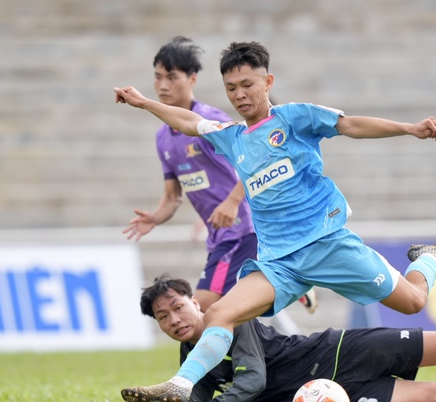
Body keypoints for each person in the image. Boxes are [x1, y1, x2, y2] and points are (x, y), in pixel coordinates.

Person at [114, 40, 436, 402]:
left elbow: (351, 125)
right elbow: (188, 122)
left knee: (412, 302)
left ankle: (430, 257)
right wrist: (144, 103)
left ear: (267, 81)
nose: (239, 95)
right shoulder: (232, 135)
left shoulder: (296, 117)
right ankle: (181, 385)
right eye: (231, 89)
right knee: (219, 312)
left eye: (247, 85)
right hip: (279, 264)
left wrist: (409, 128)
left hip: (328, 245)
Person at [121, 275, 436, 402]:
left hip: (338, 351)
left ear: (196, 304)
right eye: (163, 317)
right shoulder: (191, 358)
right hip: (330, 394)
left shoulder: (230, 320)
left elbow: (255, 378)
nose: (174, 319)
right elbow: (199, 390)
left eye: (178, 307)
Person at [122, 36, 317, 314]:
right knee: (237, 313)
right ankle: (286, 281)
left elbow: (257, 160)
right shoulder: (162, 137)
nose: (163, 85)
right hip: (220, 237)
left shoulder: (209, 121)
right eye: (158, 77)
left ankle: (287, 281)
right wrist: (155, 217)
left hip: (241, 230)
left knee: (202, 309)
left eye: (171, 77)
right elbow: (172, 197)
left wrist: (232, 201)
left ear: (192, 79)